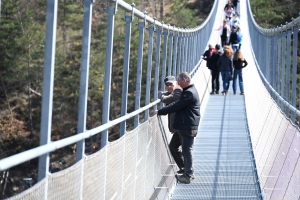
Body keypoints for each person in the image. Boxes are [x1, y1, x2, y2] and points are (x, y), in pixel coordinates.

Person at [156, 72, 200, 184]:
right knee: (174, 146)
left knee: (187, 150)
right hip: (183, 126)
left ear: (184, 80)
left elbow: (176, 105)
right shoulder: (188, 91)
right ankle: (185, 170)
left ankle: (188, 175)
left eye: (179, 81)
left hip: (187, 126)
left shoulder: (188, 93)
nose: (178, 83)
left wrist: (160, 111)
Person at [157, 76, 184, 173]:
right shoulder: (175, 92)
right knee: (178, 147)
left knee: (176, 147)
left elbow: (167, 99)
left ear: (176, 84)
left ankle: (186, 169)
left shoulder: (179, 91)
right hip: (179, 126)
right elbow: (169, 96)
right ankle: (185, 168)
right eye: (167, 85)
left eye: (171, 84)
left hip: (181, 126)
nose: (169, 87)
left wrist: (160, 95)